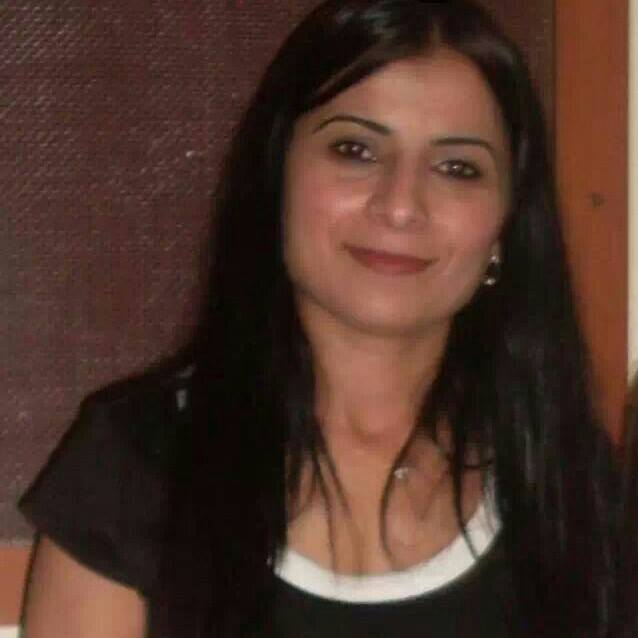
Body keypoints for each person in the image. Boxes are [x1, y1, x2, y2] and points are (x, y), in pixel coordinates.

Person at [18, 0, 633, 636]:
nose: (401, 204)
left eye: (457, 168)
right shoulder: (134, 467)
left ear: (506, 226)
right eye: (355, 149)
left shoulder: (566, 481)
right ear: (277, 173)